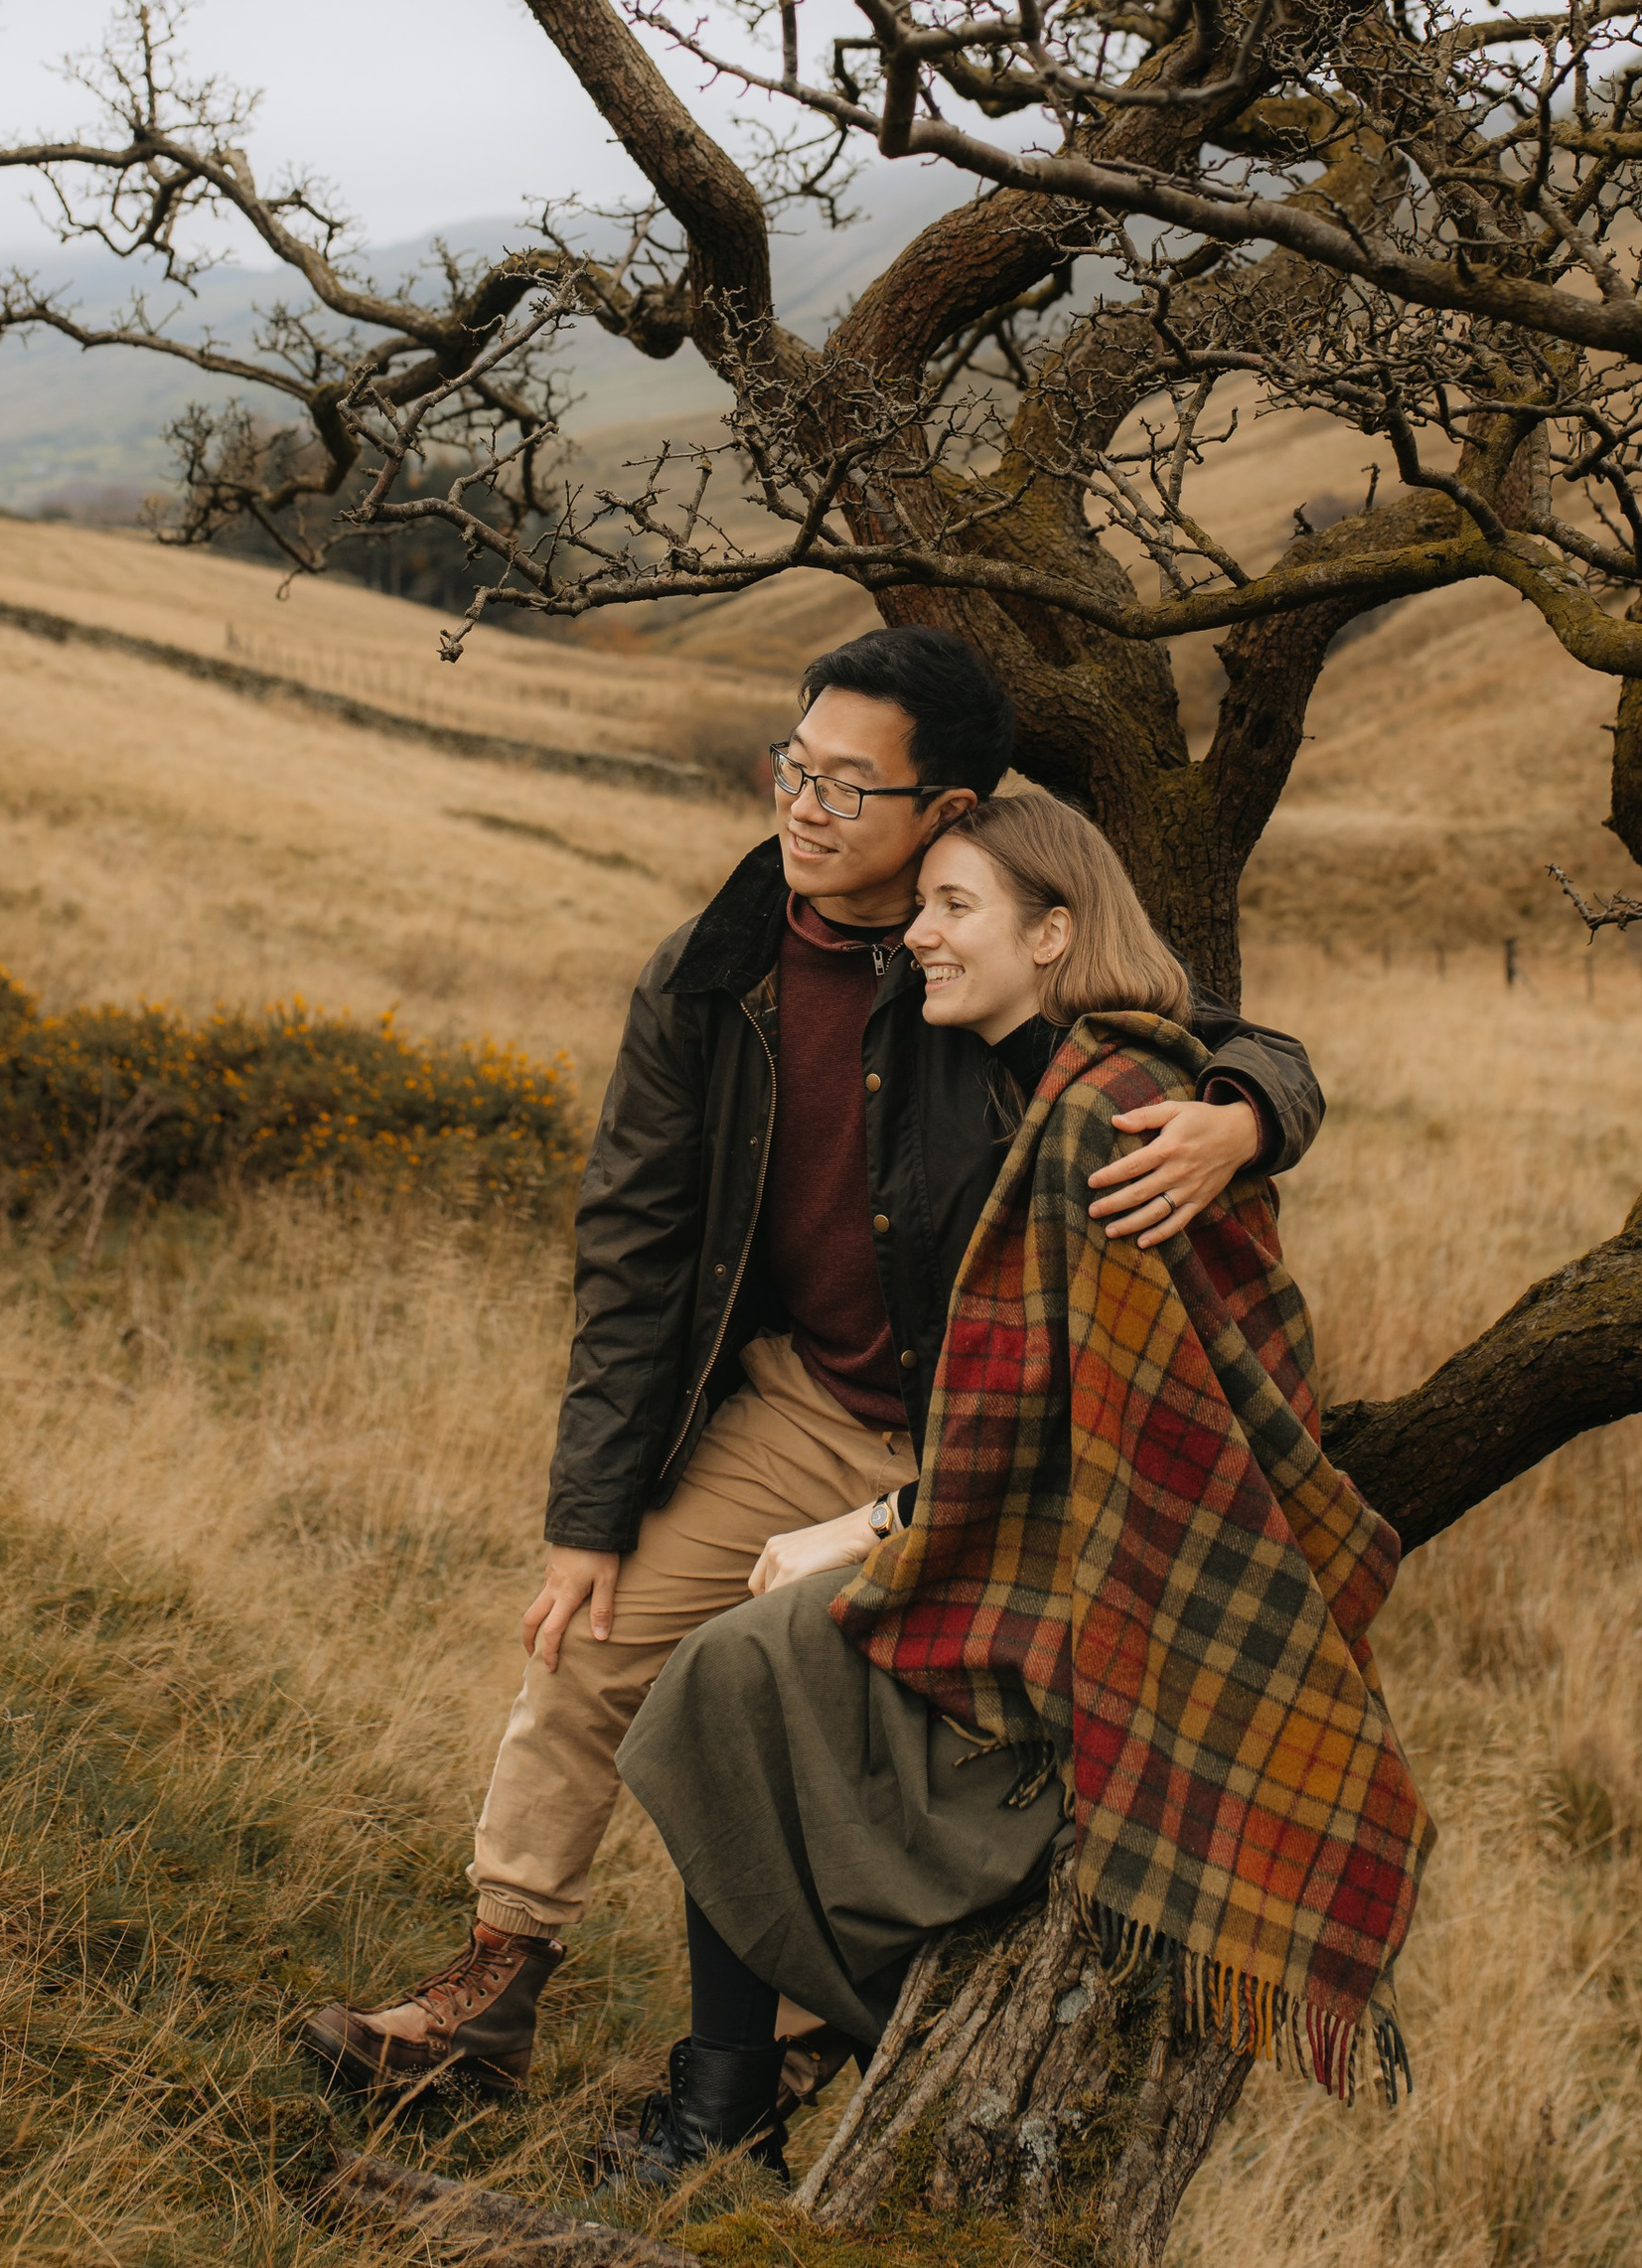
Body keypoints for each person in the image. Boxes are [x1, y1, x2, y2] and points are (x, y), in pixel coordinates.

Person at [301, 626, 1323, 2108]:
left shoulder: (986, 946)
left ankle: (769, 2066)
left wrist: (1247, 1116)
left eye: (850, 785)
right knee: (588, 1643)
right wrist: (589, 1516)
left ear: (947, 809)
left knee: (802, 1708)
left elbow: (1221, 1043)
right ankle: (491, 1990)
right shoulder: (713, 973)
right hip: (811, 1407)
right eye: (796, 766)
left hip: (997, 1449)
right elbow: (636, 1252)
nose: (805, 805)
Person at [599, 789, 1430, 2190]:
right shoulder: (1054, 1077)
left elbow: (1091, 1426)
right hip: (1052, 1533)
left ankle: (752, 2102)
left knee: (732, 1676)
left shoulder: (1110, 1113)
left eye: (954, 908)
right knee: (739, 1676)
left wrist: (866, 1529)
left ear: (1053, 933)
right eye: (922, 905)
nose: (920, 935)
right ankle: (740, 2101)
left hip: (1111, 1571)